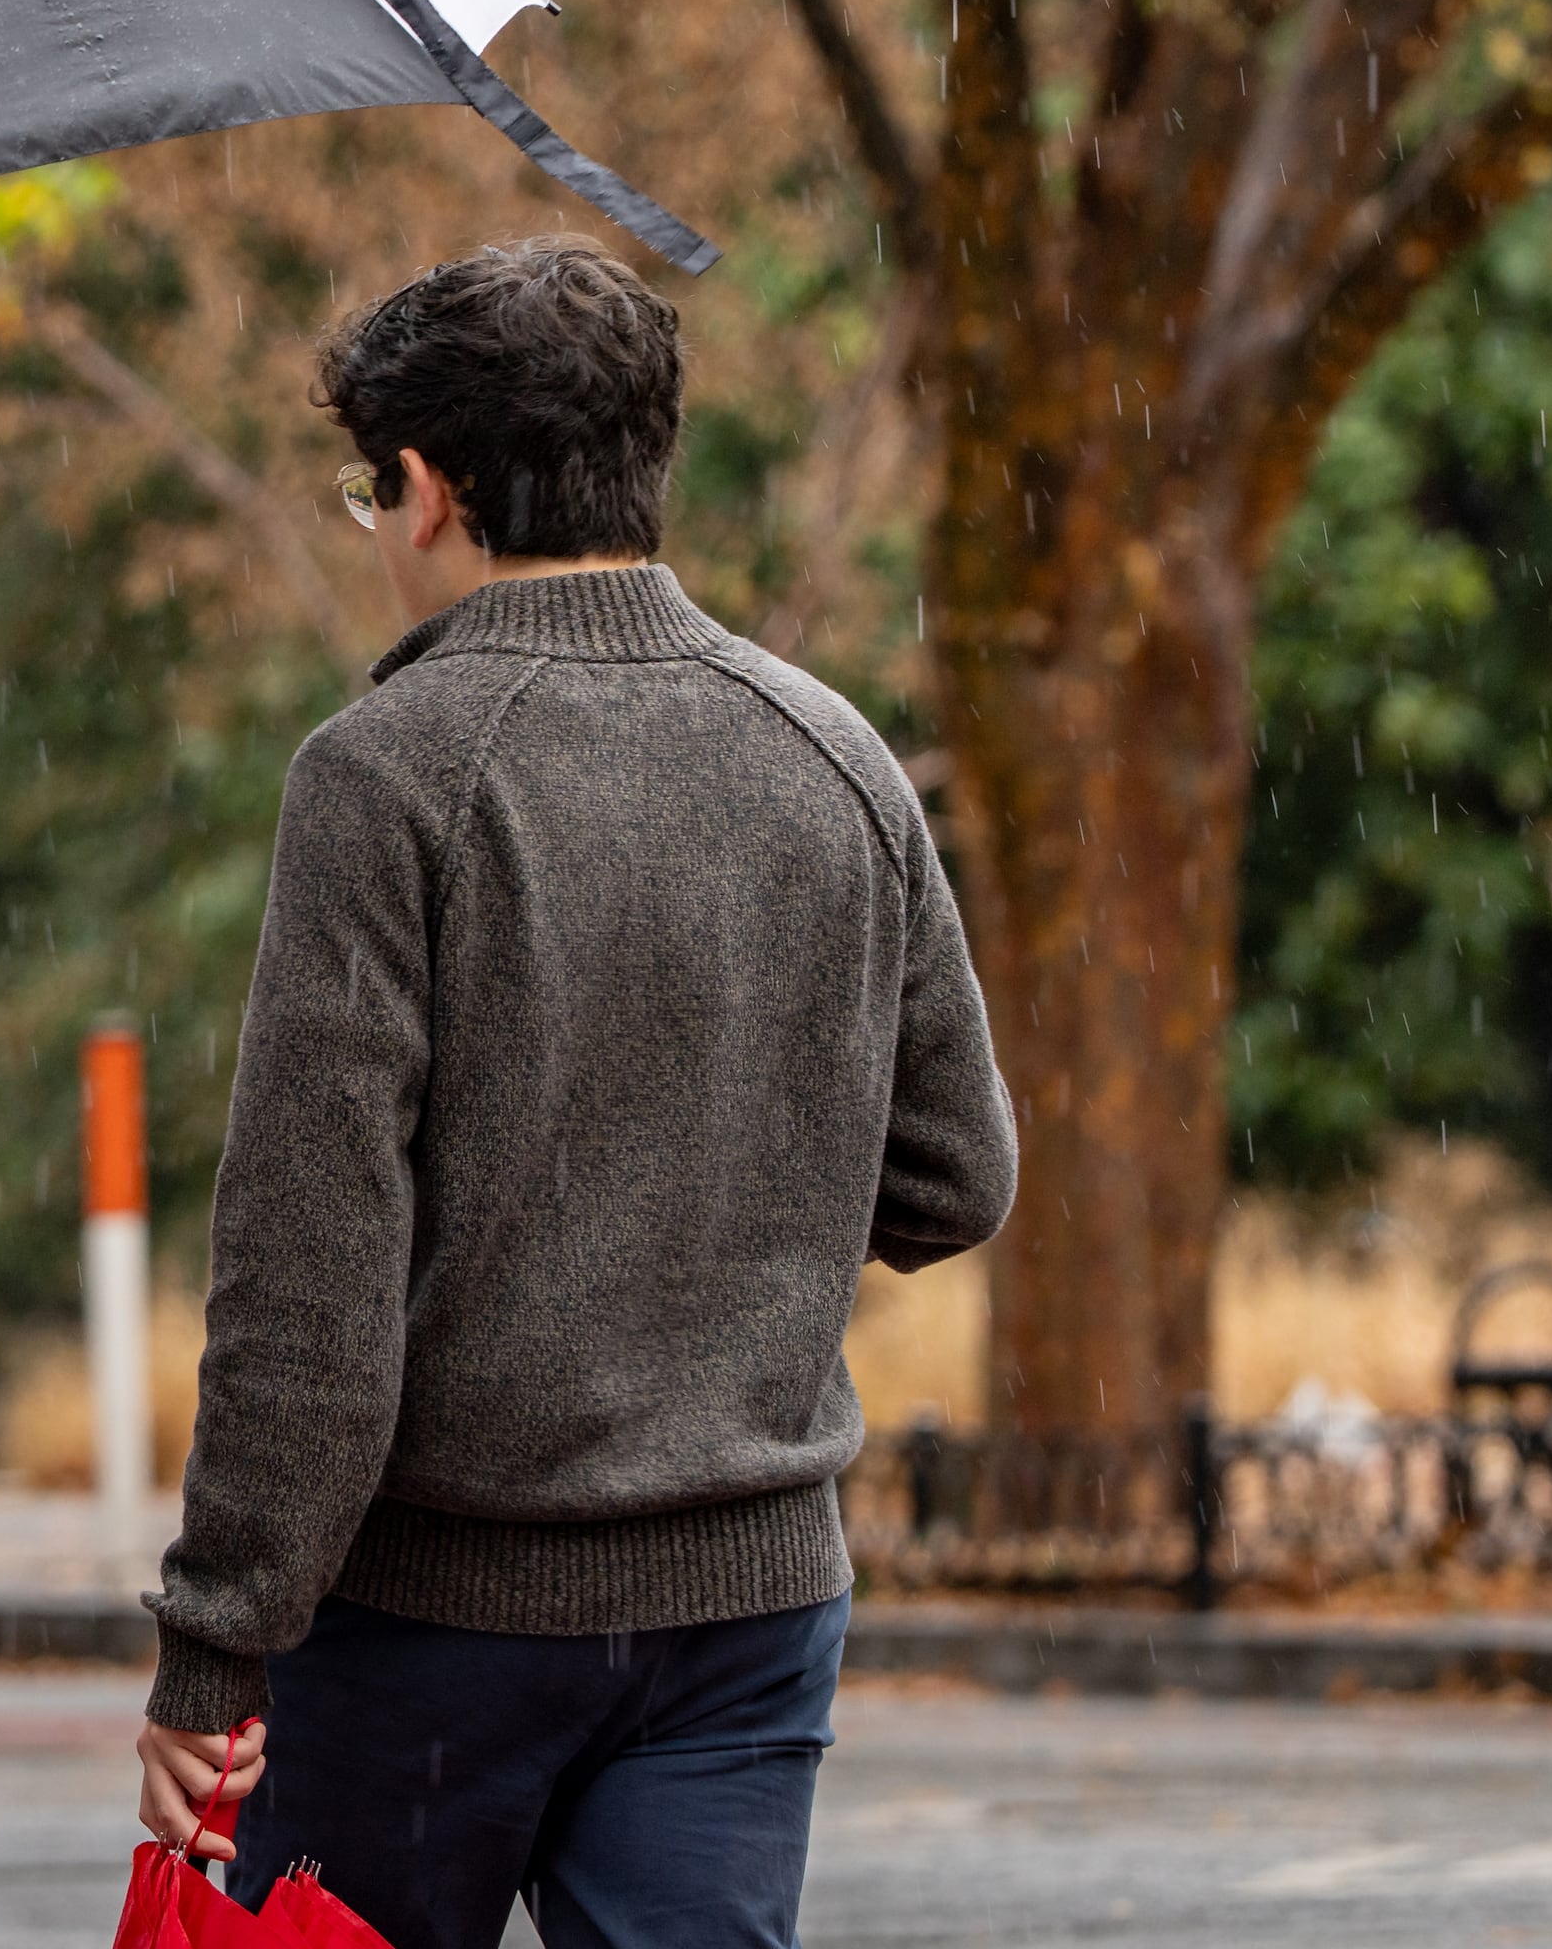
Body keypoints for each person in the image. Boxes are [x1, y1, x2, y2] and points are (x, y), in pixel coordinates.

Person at [131, 236, 1016, 1949]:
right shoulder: (834, 756)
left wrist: (215, 1643)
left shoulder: (388, 775)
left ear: (430, 490)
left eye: (368, 493)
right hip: (752, 1605)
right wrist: (732, 1205)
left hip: (428, 1621)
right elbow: (957, 1172)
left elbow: (312, 1277)